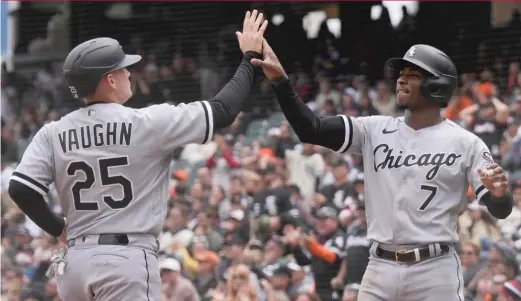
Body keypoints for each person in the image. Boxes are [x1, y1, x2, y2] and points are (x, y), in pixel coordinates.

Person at [7, 10, 268, 301]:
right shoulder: (147, 122)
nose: (129, 72)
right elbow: (224, 111)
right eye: (122, 69)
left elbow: (20, 188)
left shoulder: (52, 132)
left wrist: (58, 228)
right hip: (124, 261)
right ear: (109, 80)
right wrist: (248, 59)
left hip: (75, 264)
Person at [251, 40, 514, 301]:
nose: (401, 80)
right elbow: (311, 128)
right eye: (401, 74)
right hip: (380, 267)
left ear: (437, 85)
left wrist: (500, 194)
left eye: (412, 75)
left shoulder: (466, 143)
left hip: (435, 270)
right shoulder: (374, 129)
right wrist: (281, 81)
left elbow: (500, 208)